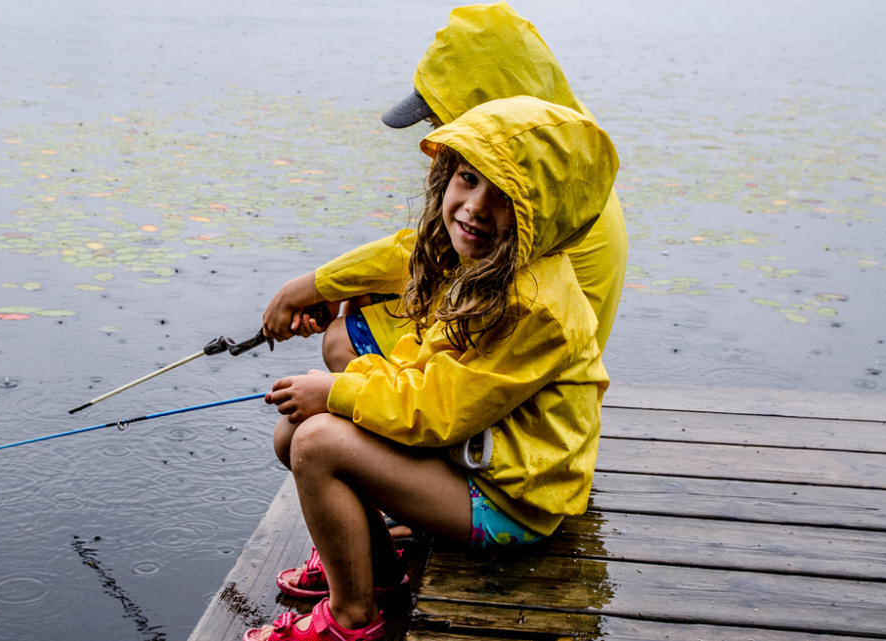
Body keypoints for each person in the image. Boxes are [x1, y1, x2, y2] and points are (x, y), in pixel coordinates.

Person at [245, 95, 618, 641]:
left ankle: (352, 619)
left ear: (543, 214)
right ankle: (373, 570)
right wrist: (341, 387)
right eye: (468, 178)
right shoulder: (482, 263)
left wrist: (340, 392)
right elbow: (422, 365)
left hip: (513, 502)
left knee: (318, 442)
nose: (474, 206)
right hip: (468, 461)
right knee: (293, 432)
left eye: (504, 195)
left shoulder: (535, 307)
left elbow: (440, 412)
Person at [263, 1, 627, 371]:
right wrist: (331, 286)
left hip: (511, 355)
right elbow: (433, 253)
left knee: (342, 339)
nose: (436, 141)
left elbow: (443, 261)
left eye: (440, 121)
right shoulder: (559, 144)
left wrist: (307, 289)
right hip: (493, 301)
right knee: (363, 294)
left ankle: (359, 420)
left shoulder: (528, 180)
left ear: (488, 109)